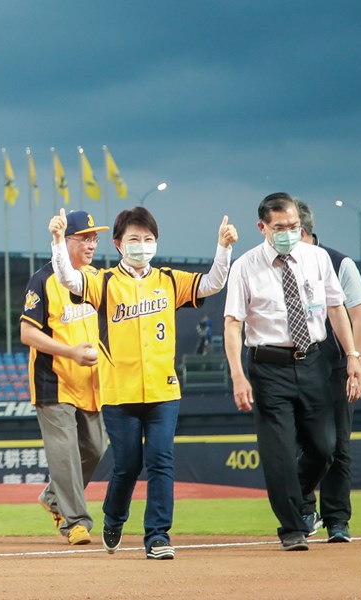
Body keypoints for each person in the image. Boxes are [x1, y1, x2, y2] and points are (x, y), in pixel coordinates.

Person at [48, 206, 238, 560]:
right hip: (119, 392)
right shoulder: (104, 281)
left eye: (148, 239)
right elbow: (69, 281)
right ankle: (115, 518)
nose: (142, 245)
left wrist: (223, 248)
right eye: (134, 239)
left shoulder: (167, 279)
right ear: (119, 244)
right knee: (127, 465)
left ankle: (158, 536)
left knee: (162, 460)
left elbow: (211, 283)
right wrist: (58, 242)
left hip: (163, 390)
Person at [223, 192, 361, 551]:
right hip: (269, 367)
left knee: (325, 447)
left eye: (293, 226)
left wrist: (352, 355)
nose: (288, 232)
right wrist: (238, 375)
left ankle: (296, 491)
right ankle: (291, 528)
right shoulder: (245, 266)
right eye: (280, 227)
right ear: (263, 227)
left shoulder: (317, 259)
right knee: (279, 451)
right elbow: (232, 325)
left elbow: (337, 309)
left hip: (315, 360)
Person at [20, 210, 109, 546]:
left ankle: (53, 497)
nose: (91, 243)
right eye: (84, 237)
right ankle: (75, 521)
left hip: (91, 380)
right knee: (66, 454)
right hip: (53, 379)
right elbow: (28, 333)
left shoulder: (96, 279)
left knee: (96, 449)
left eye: (94, 237)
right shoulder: (42, 280)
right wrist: (70, 352)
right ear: (65, 240)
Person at [297, 200, 361, 543]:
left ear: (301, 229)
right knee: (303, 443)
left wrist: (359, 365)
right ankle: (304, 510)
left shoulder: (339, 263)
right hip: (294, 365)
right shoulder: (275, 265)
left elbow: (359, 316)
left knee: (339, 445)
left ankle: (337, 519)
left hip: (336, 365)